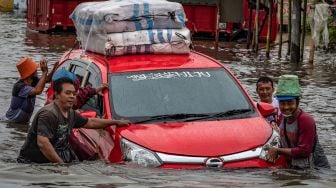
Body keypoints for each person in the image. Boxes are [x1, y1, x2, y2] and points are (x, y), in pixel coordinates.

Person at [17, 77, 130, 163]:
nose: (72, 96)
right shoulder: (48, 114)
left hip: (54, 160)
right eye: (67, 93)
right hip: (33, 163)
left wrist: (115, 122)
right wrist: (61, 166)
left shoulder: (70, 113)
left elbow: (90, 122)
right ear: (56, 94)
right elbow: (43, 143)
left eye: (74, 94)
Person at [265, 75, 330, 169]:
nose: (286, 107)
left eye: (290, 103)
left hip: (314, 170)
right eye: (282, 104)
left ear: (297, 102)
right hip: (294, 166)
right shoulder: (281, 118)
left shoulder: (306, 120)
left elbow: (304, 151)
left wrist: (277, 151)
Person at [0, 56, 58, 123]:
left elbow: (47, 79)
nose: (36, 70)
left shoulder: (32, 80)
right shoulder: (19, 86)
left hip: (21, 123)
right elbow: (38, 90)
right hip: (10, 122)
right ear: (30, 73)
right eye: (35, 69)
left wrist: (55, 68)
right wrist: (44, 72)